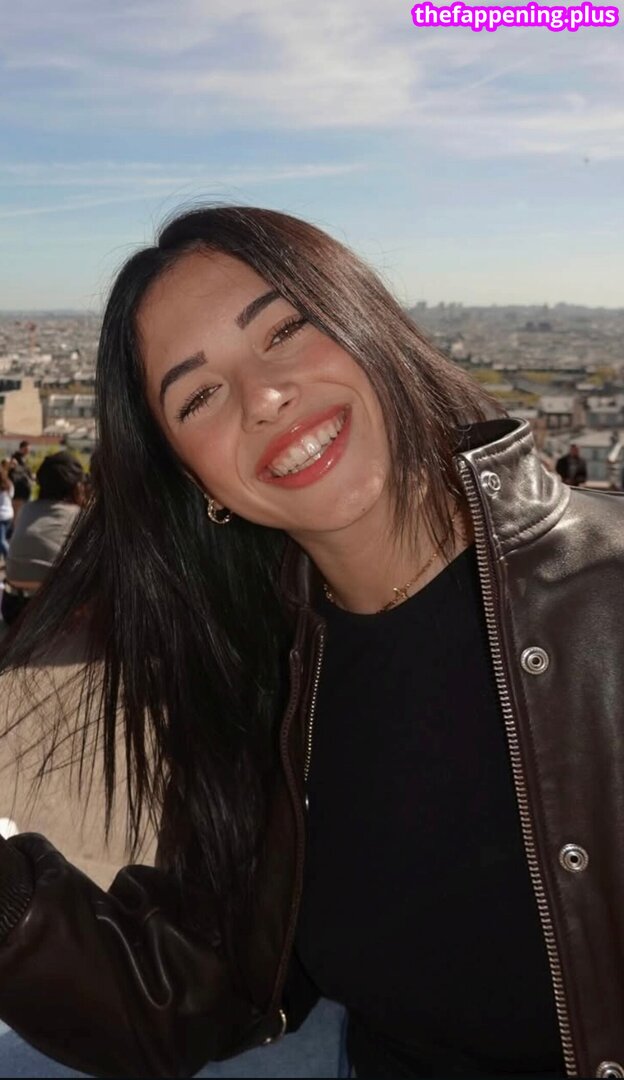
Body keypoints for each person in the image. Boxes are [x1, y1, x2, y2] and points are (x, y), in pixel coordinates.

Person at [0, 206, 623, 1080]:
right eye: (198, 396)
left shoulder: (605, 593)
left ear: (367, 321)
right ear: (195, 480)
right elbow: (198, 987)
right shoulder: (272, 678)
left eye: (285, 330)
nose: (265, 397)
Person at [1, 451, 85, 626]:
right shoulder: (77, 516)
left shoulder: (27, 510)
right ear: (76, 486)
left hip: (12, 606)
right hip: (50, 610)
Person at [8, 440, 34, 522]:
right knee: (17, 516)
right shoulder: (15, 460)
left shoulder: (24, 460)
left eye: (28, 450)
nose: (27, 452)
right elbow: (13, 474)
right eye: (26, 450)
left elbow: (27, 474)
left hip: (25, 492)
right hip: (18, 492)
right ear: (21, 449)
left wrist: (31, 478)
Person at [0, 460, 14, 560]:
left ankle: (10, 559)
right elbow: (12, 496)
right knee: (3, 539)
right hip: (9, 515)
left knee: (2, 541)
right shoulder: (9, 484)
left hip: (1, 517)